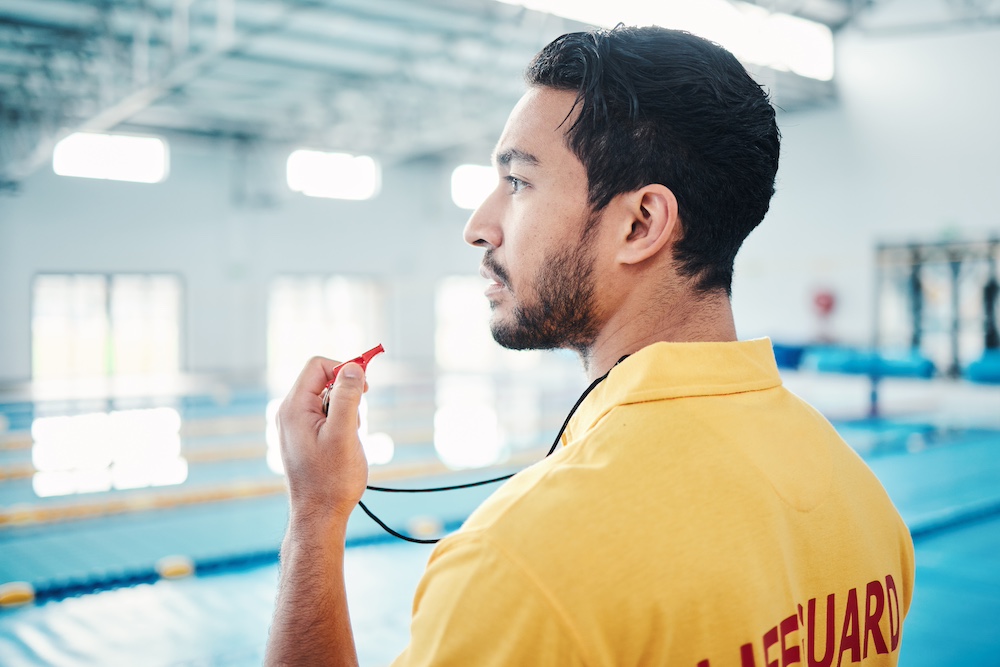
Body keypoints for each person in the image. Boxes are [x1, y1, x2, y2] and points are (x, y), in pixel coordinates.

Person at [264, 25, 915, 666]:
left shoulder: (521, 561)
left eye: (518, 183)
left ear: (640, 224)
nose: (478, 227)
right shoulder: (862, 500)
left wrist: (314, 519)